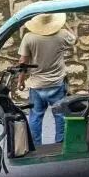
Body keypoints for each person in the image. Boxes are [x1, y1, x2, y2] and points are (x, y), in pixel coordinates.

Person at [18, 13, 76, 146]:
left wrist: (20, 81)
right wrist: (66, 25)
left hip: (36, 85)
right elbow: (75, 40)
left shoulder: (29, 37)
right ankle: (60, 144)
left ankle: (36, 146)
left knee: (35, 116)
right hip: (57, 84)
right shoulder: (62, 34)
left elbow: (23, 62)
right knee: (60, 115)